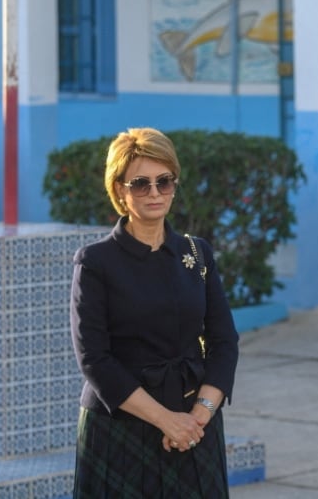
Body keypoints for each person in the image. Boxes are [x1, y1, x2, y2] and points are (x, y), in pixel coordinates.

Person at [70, 127, 239, 497]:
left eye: (164, 181)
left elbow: (224, 341)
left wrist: (198, 416)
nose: (155, 192)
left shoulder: (197, 253)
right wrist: (167, 421)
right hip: (120, 427)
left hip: (195, 424)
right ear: (119, 189)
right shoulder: (96, 262)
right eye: (140, 184)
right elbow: (95, 359)